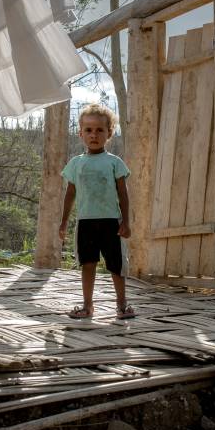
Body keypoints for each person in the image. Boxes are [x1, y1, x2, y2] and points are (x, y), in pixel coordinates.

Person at [58, 104, 135, 320]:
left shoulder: (114, 163)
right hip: (86, 223)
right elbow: (70, 194)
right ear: (80, 133)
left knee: (116, 266)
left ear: (109, 133)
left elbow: (123, 193)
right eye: (89, 130)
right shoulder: (76, 164)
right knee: (88, 264)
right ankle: (87, 306)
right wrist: (64, 222)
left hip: (111, 222)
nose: (94, 135)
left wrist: (126, 222)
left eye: (100, 130)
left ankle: (122, 305)